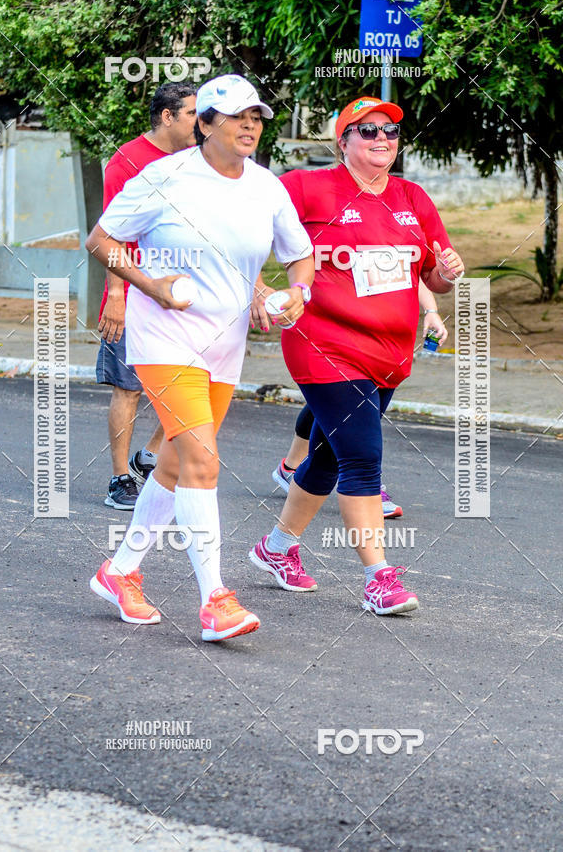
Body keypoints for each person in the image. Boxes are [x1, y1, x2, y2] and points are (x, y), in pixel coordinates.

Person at [86, 74, 314, 640]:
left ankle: (120, 572)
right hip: (163, 336)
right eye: (237, 117)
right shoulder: (164, 177)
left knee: (175, 463)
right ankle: (215, 598)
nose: (250, 126)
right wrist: (151, 285)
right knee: (203, 461)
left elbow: (301, 257)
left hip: (225, 342)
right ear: (204, 124)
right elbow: (101, 240)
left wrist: (294, 296)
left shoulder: (266, 187)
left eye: (256, 117)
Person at [249, 95, 464, 610]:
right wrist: (260, 293)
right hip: (322, 344)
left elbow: (430, 274)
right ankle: (379, 579)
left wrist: (446, 276)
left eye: (389, 132)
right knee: (363, 460)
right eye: (367, 132)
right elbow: (242, 240)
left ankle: (276, 548)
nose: (381, 140)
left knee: (325, 458)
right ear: (342, 140)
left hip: (389, 354)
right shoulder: (305, 187)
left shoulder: (412, 198)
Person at [96, 83, 197, 510]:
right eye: (192, 113)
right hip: (134, 293)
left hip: (180, 294)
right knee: (129, 388)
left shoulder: (195, 161)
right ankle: (120, 478)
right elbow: (110, 234)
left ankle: (151, 455)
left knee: (188, 382)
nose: (201, 122)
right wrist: (116, 293)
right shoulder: (128, 160)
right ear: (168, 116)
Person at [267, 281, 449, 518]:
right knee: (351, 407)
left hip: (378, 331)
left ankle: (290, 474)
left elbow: (410, 270)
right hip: (331, 327)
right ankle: (366, 487)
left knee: (334, 407)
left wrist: (431, 311)